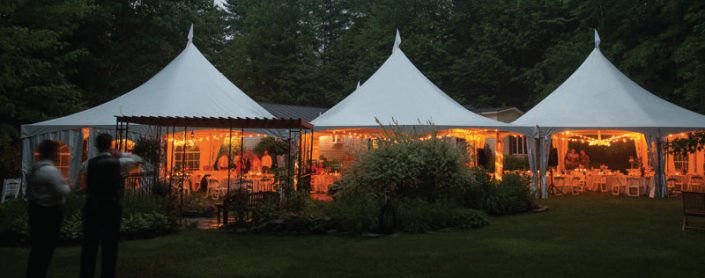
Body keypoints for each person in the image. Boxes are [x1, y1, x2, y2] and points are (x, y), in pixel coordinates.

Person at [80, 133, 142, 278]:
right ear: (110, 145)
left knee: (89, 245)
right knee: (110, 245)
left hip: (93, 205)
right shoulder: (118, 163)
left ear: (96, 146)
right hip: (111, 206)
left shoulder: (89, 163)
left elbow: (83, 176)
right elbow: (138, 159)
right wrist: (120, 154)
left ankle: (86, 273)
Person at [26, 140, 71, 278]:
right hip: (48, 213)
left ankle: (34, 273)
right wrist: (68, 184)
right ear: (50, 153)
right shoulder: (50, 170)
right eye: (57, 151)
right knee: (45, 248)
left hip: (36, 209)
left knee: (38, 248)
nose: (59, 154)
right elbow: (62, 190)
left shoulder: (35, 168)